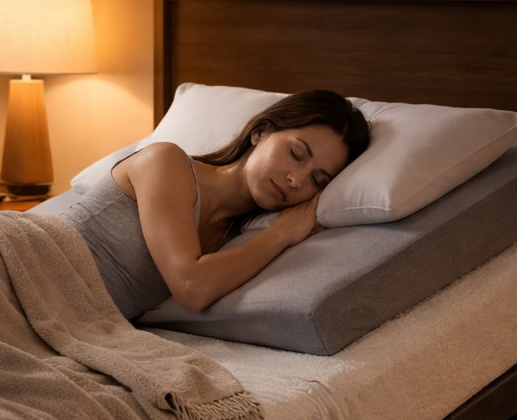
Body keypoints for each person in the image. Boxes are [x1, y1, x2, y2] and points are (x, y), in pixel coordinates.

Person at [58, 90, 370, 319]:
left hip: (66, 319)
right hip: (24, 265)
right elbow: (191, 287)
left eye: (317, 180)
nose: (296, 180)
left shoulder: (237, 239)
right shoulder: (166, 162)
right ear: (261, 132)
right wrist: (280, 234)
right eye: (296, 154)